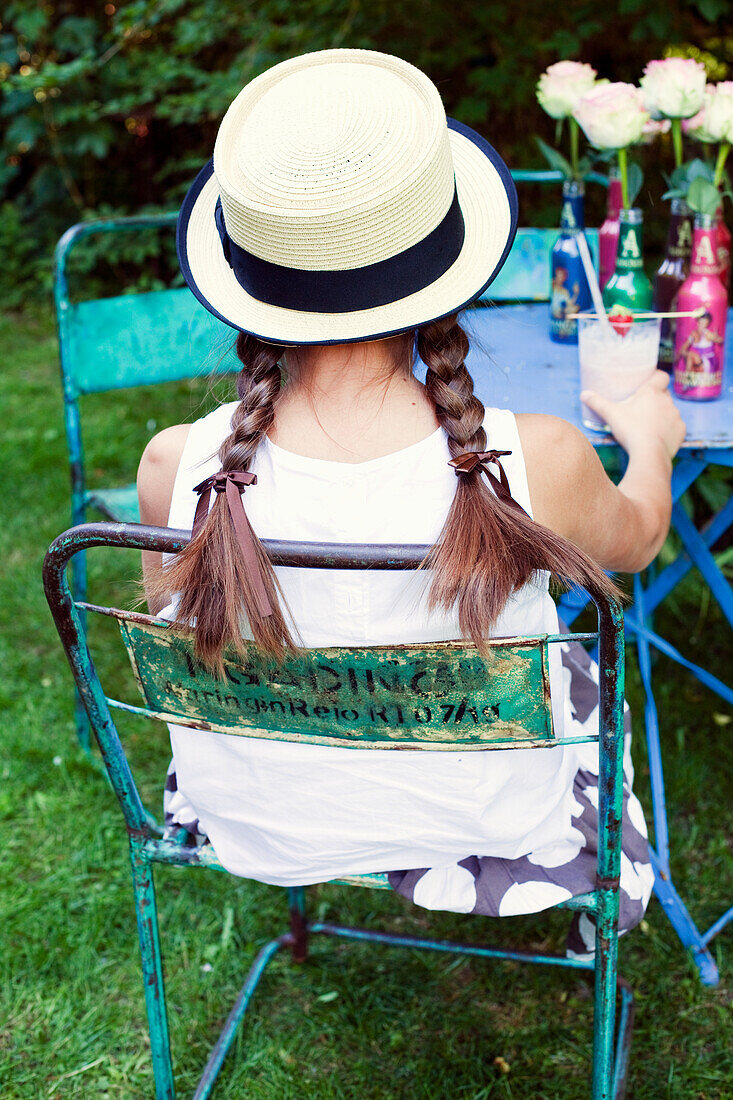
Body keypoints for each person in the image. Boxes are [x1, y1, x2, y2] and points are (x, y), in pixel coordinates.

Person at [138, 49, 685, 951]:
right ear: (443, 260)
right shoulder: (534, 459)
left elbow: (177, 652)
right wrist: (652, 441)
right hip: (493, 817)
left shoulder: (176, 463)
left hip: (263, 811)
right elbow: (637, 541)